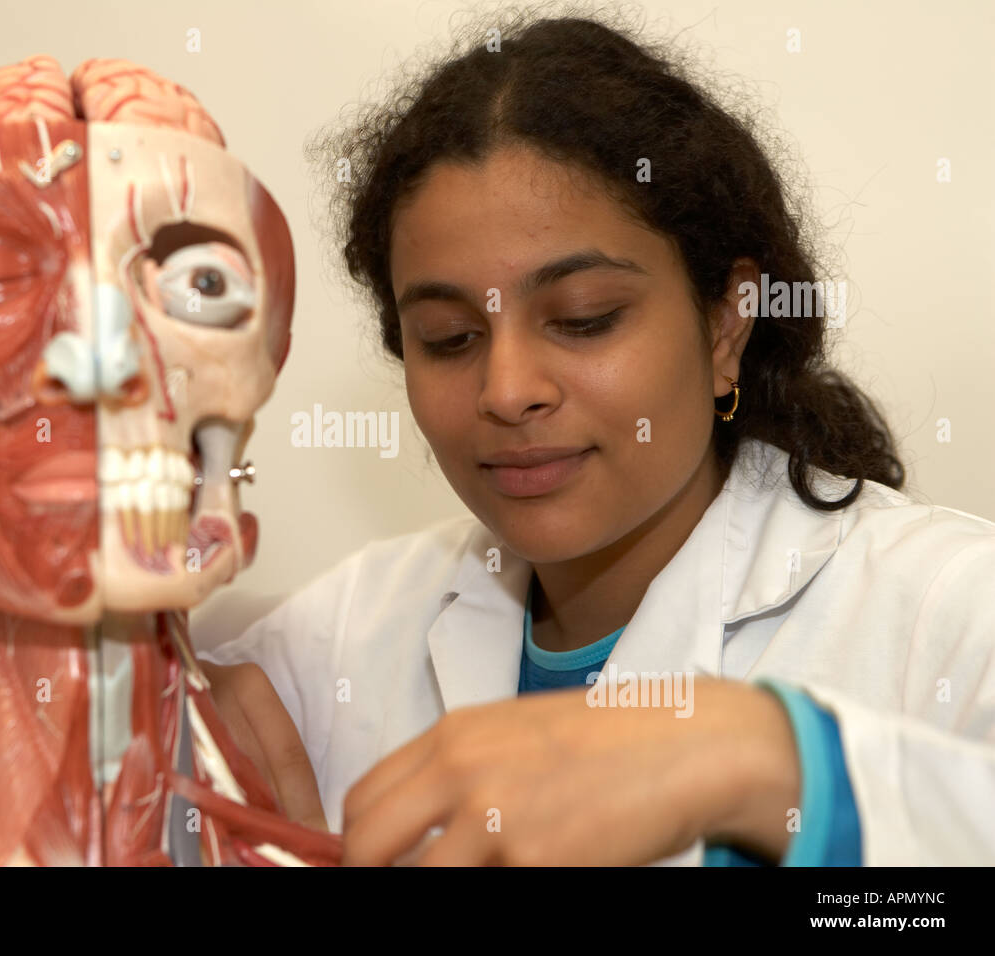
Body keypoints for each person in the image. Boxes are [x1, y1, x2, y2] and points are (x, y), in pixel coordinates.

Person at [197, 12, 995, 866]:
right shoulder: (340, 641)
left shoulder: (946, 615)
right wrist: (164, 699)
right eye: (449, 337)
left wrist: (772, 763)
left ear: (727, 324)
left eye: (584, 320)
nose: (507, 392)